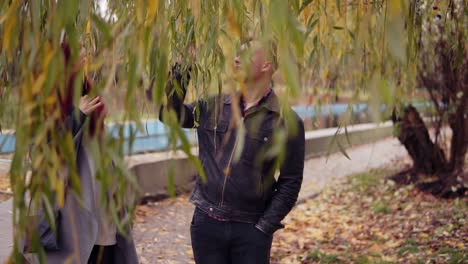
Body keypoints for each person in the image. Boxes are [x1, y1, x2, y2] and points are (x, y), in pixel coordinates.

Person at [158, 39, 305, 264]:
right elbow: (170, 115)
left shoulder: (286, 121)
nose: (236, 59)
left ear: (266, 65)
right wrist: (182, 68)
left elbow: (290, 181)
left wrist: (264, 227)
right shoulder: (214, 106)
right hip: (206, 225)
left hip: (250, 230)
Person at [22, 43, 138, 264]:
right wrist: (78, 115)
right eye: (79, 54)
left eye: (85, 53)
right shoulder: (48, 102)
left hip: (102, 207)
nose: (85, 58)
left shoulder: (88, 91)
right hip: (71, 213)